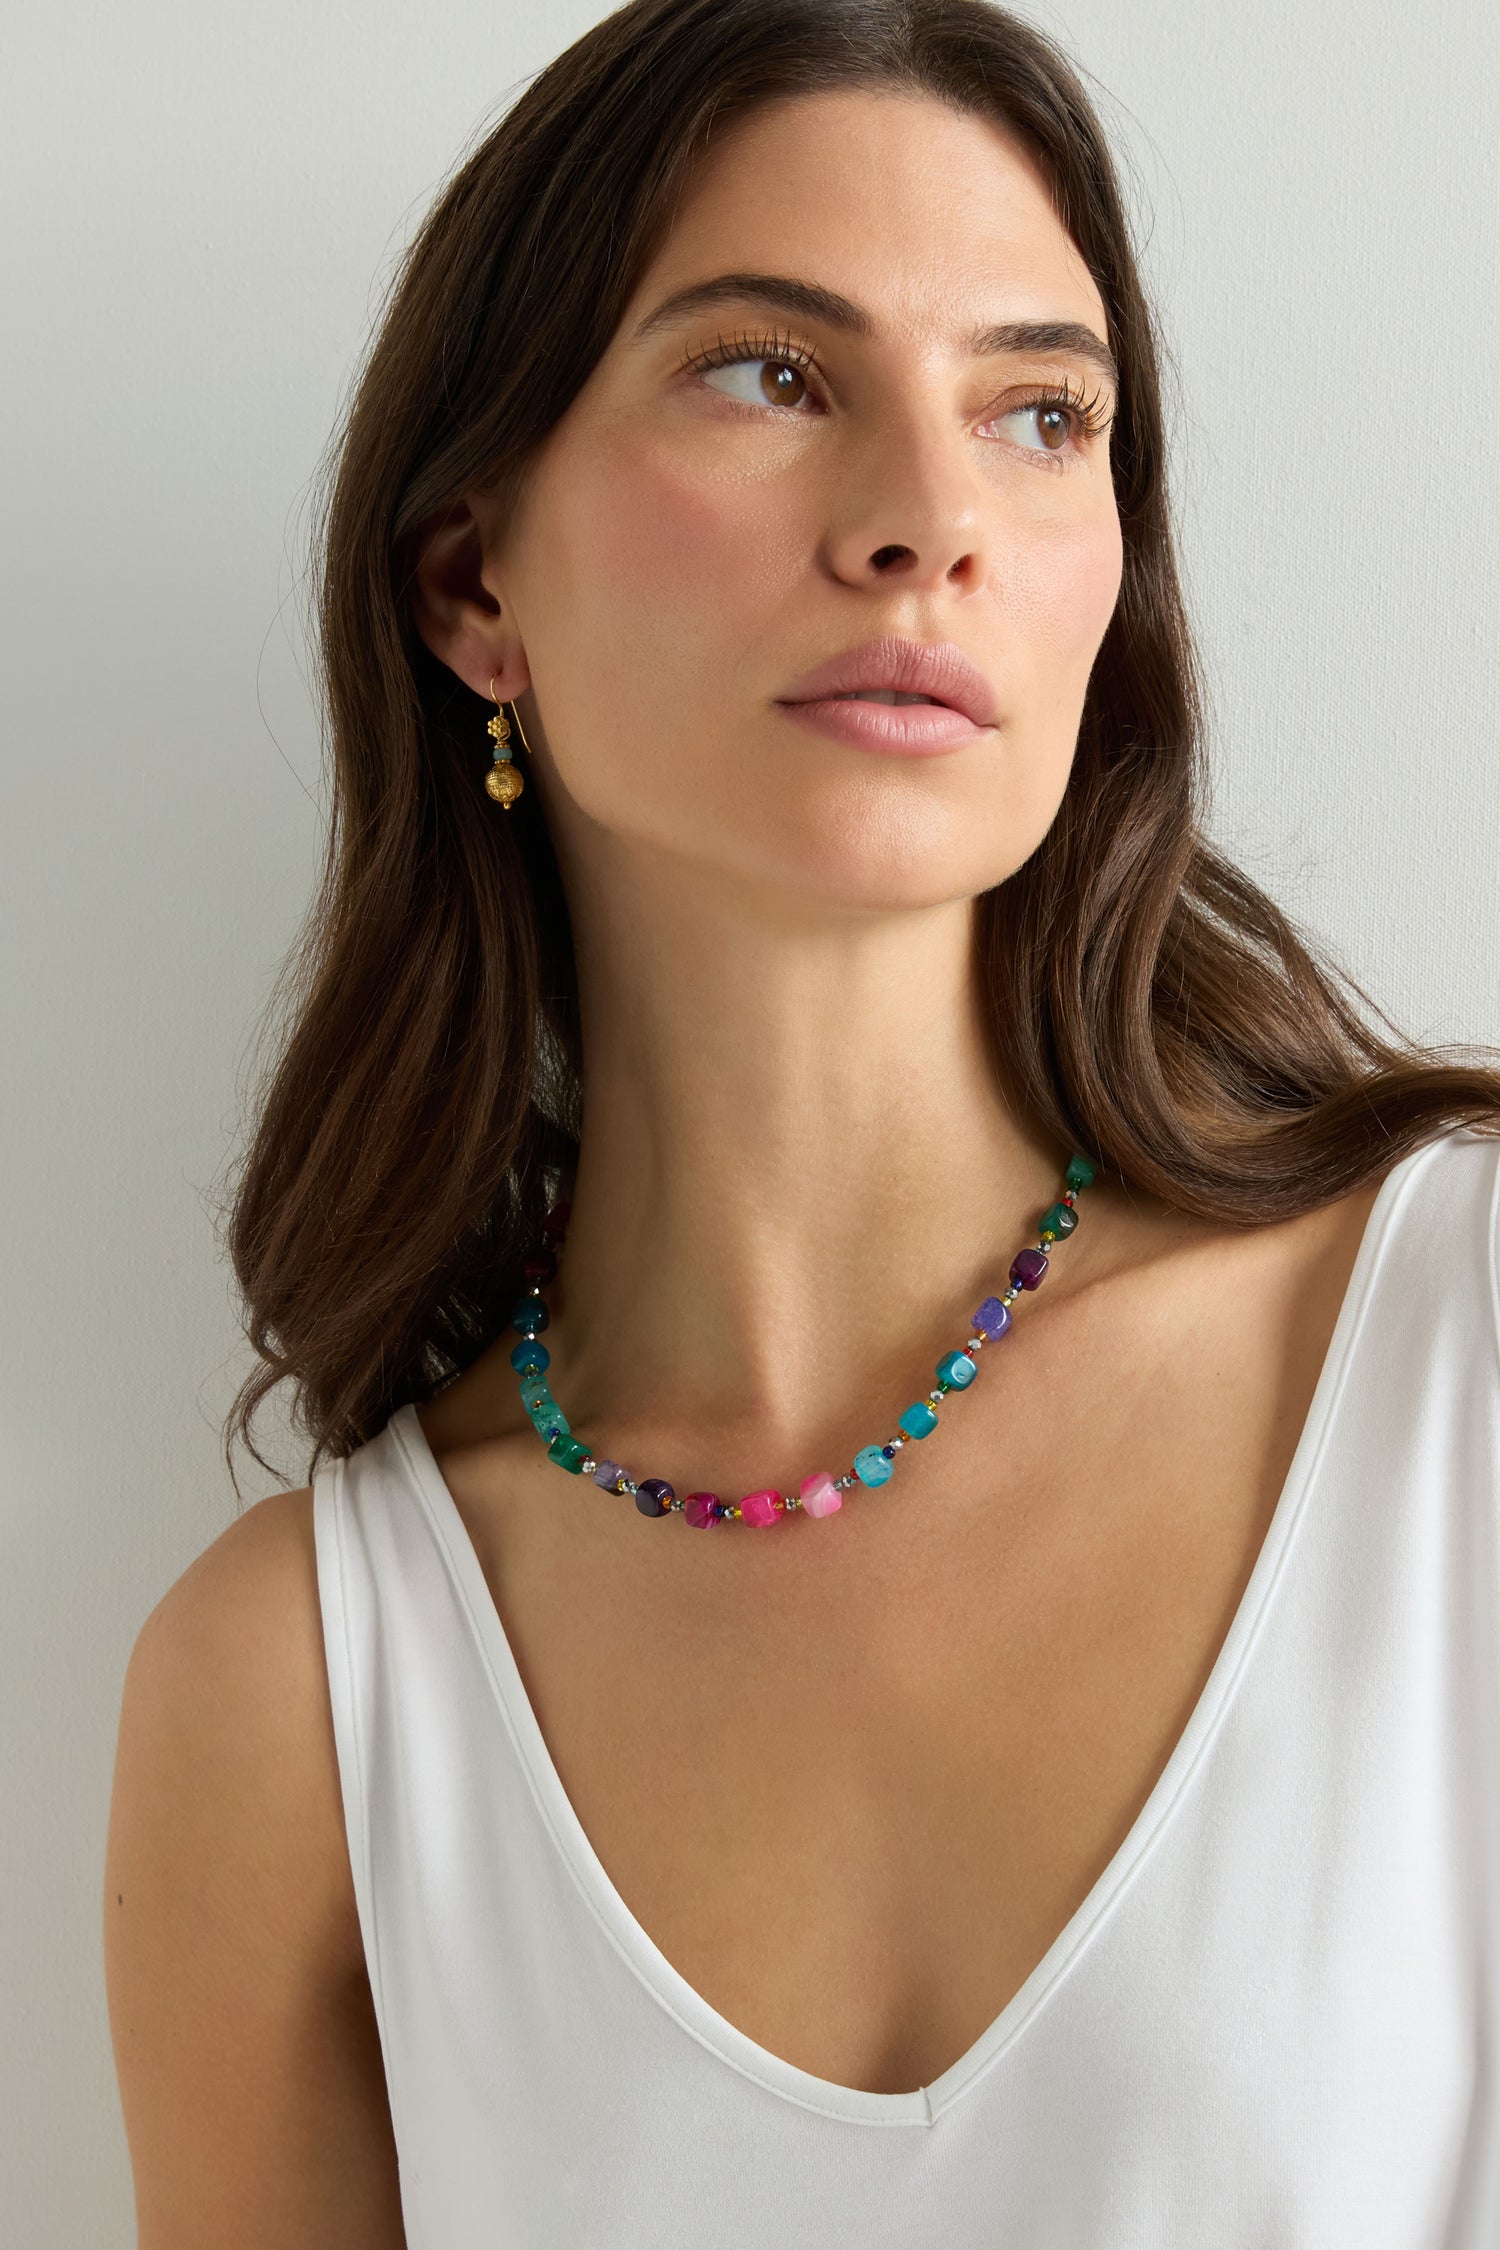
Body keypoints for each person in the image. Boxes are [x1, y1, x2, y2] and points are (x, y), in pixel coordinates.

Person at [103, 0, 1500, 2242]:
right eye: (771, 372)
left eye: (1041, 413)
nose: (931, 523)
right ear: (474, 583)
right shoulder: (301, 1697)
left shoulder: (1457, 1365)